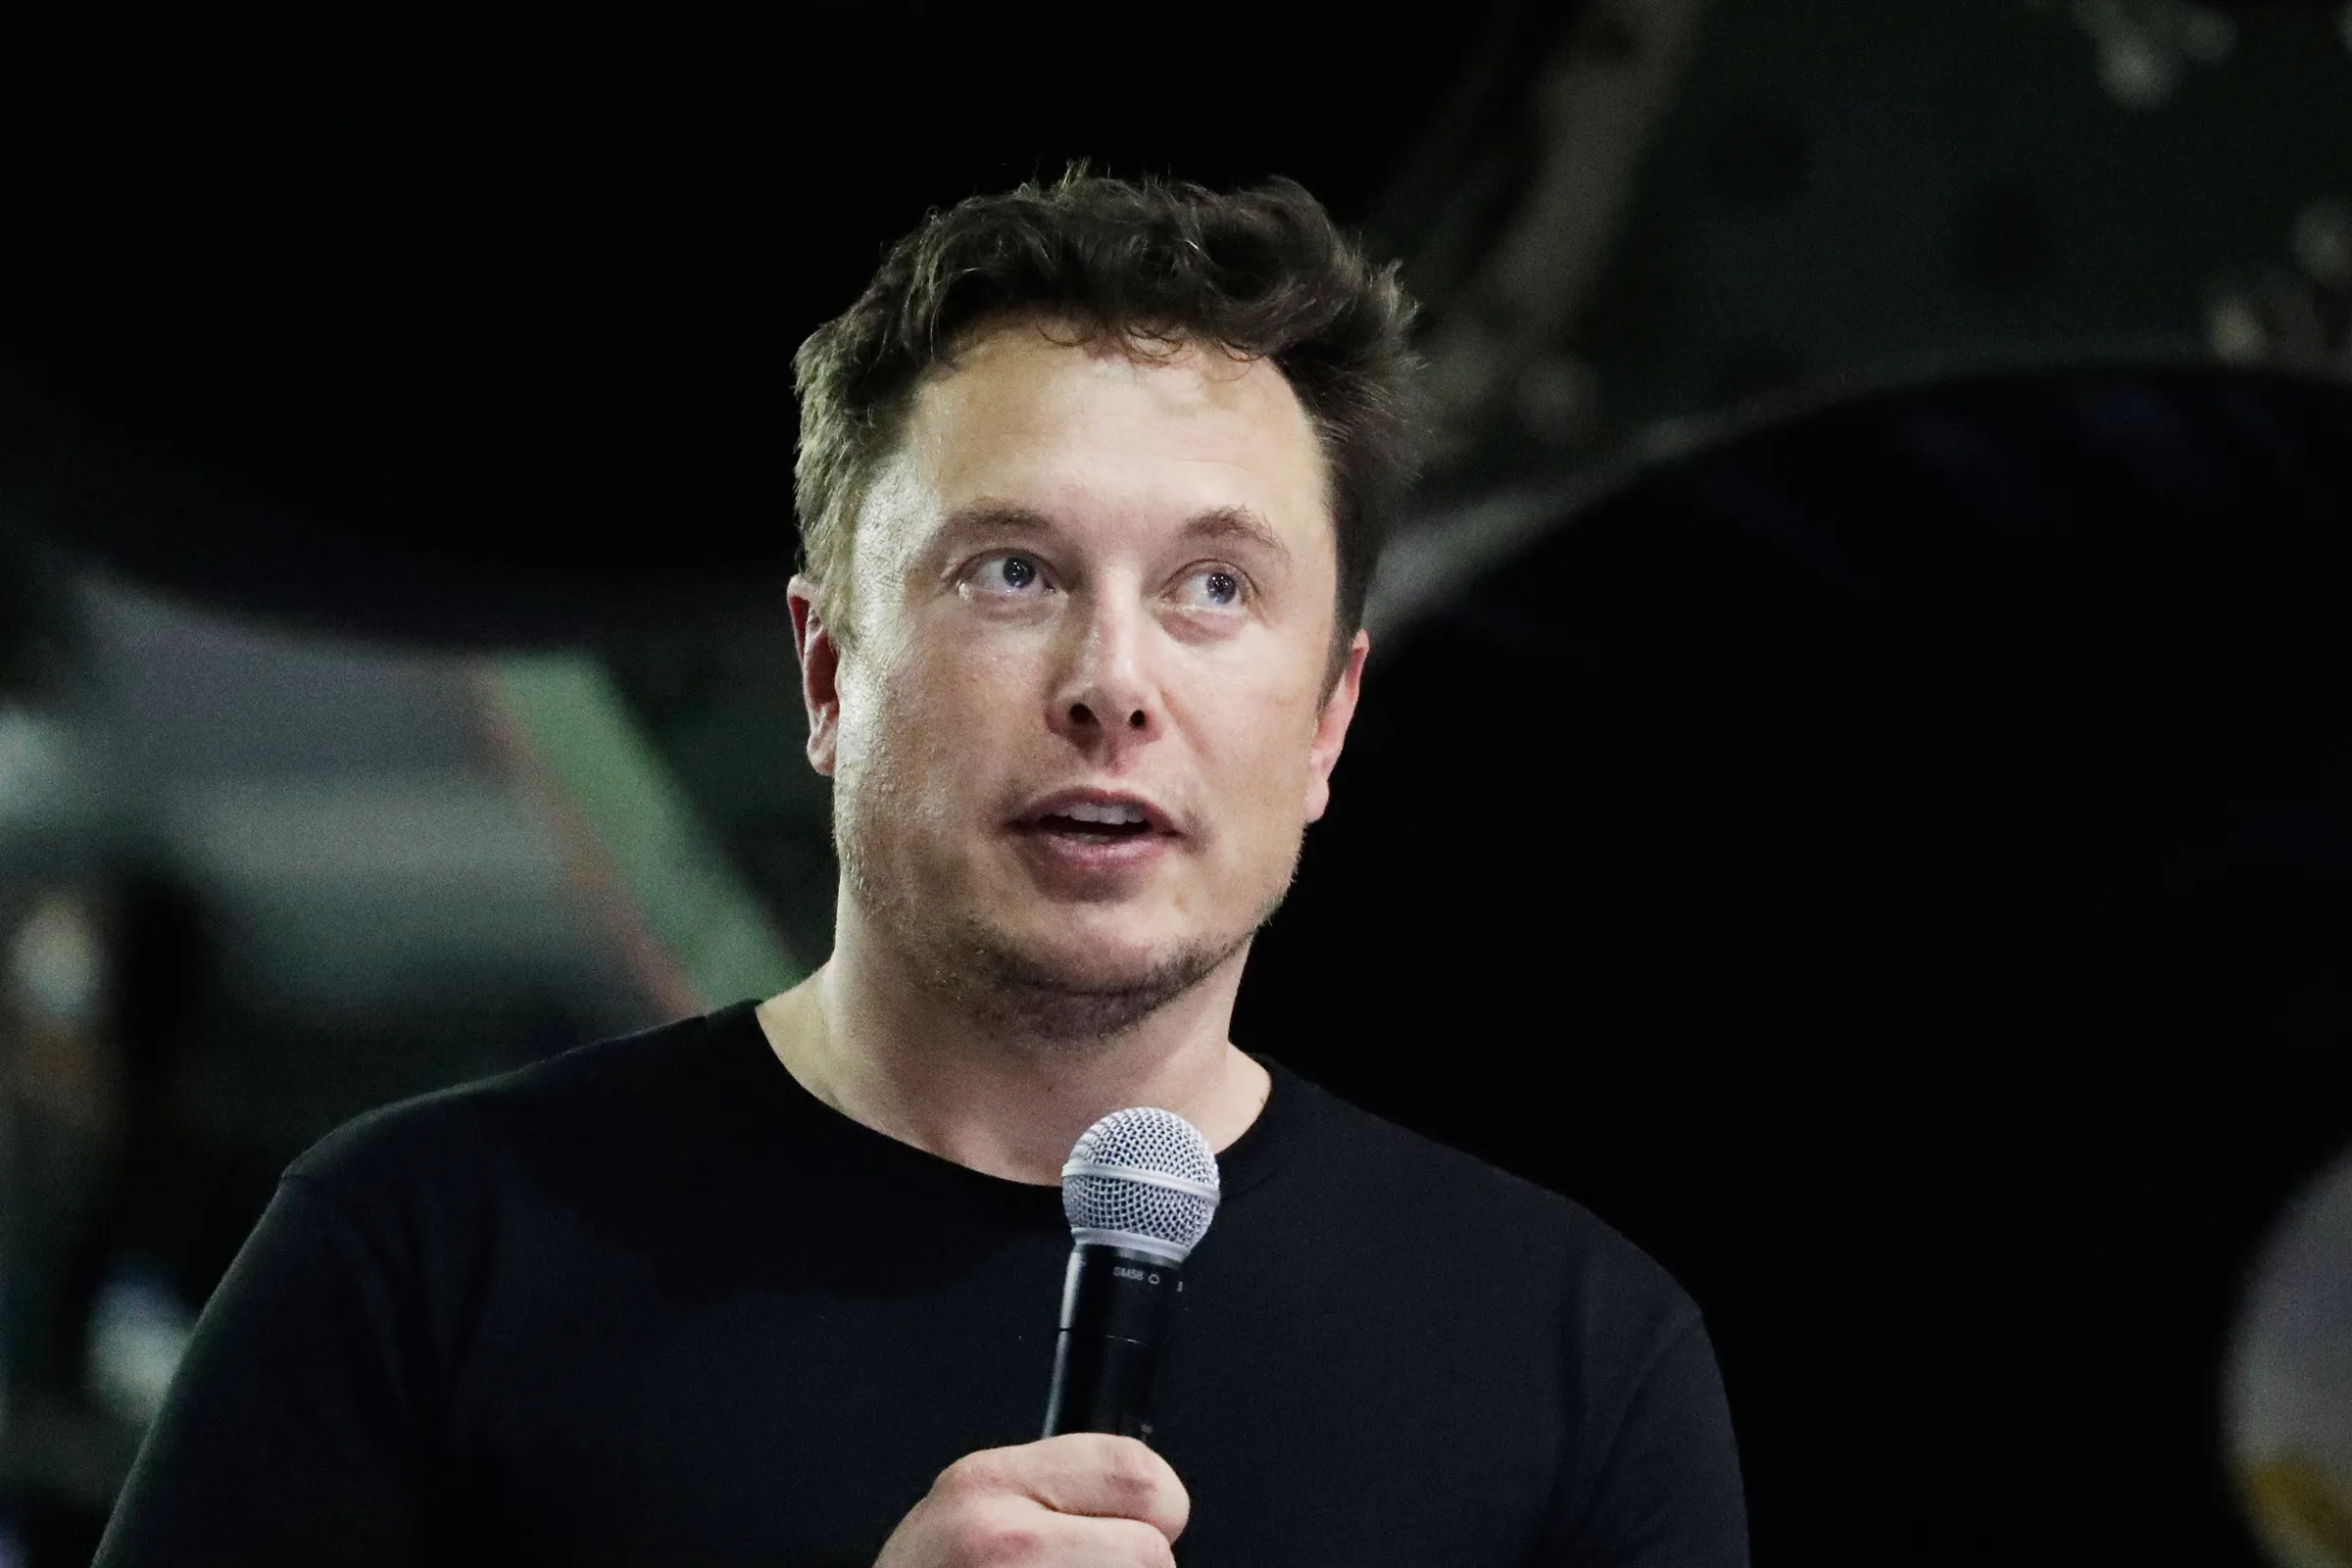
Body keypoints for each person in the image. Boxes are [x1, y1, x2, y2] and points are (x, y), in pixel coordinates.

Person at [93, 171, 1748, 1567]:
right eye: (1013, 572)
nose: (1113, 682)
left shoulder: (1575, 1361)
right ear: (827, 676)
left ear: (1329, 719)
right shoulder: (421, 1259)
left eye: (1215, 588)